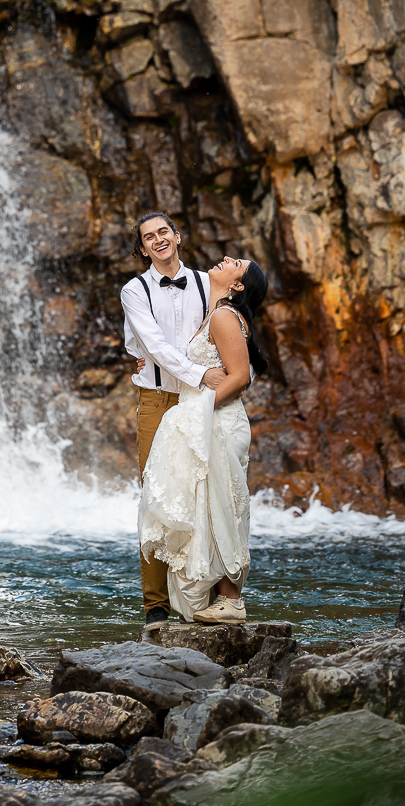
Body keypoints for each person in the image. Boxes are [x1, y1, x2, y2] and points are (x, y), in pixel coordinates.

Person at [137, 256, 269, 624]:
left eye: (236, 262)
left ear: (238, 285)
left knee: (224, 503)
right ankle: (215, 596)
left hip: (217, 420)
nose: (227, 258)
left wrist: (201, 411)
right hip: (207, 419)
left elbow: (240, 376)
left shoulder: (226, 316)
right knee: (205, 505)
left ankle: (231, 599)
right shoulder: (215, 314)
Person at [120, 212, 228, 631]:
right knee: (155, 496)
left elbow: (228, 330)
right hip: (158, 400)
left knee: (205, 489)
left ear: (177, 236)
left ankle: (211, 595)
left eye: (163, 231)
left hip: (202, 400)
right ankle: (156, 605)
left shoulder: (206, 282)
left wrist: (231, 377)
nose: (158, 239)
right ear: (143, 248)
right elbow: (154, 346)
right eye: (149, 237)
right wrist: (202, 373)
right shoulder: (135, 289)